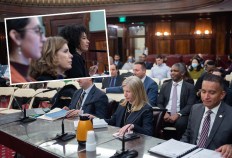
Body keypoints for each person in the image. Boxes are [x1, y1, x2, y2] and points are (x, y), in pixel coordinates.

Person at [181, 74, 232, 158]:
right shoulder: (195, 109)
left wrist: (231, 147)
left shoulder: (230, 114)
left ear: (222, 95)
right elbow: (188, 134)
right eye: (203, 91)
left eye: (212, 93)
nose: (206, 96)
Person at [157, 63, 196, 140]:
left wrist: (178, 114)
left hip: (181, 114)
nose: (172, 73)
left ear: (182, 73)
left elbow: (190, 105)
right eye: (171, 71)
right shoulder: (165, 85)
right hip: (166, 114)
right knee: (155, 121)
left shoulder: (190, 87)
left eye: (175, 71)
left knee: (181, 124)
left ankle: (180, 143)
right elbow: (159, 103)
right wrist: (164, 112)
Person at [6, 17, 46, 83]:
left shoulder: (26, 77)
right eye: (37, 31)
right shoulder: (14, 80)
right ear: (17, 37)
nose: (44, 39)